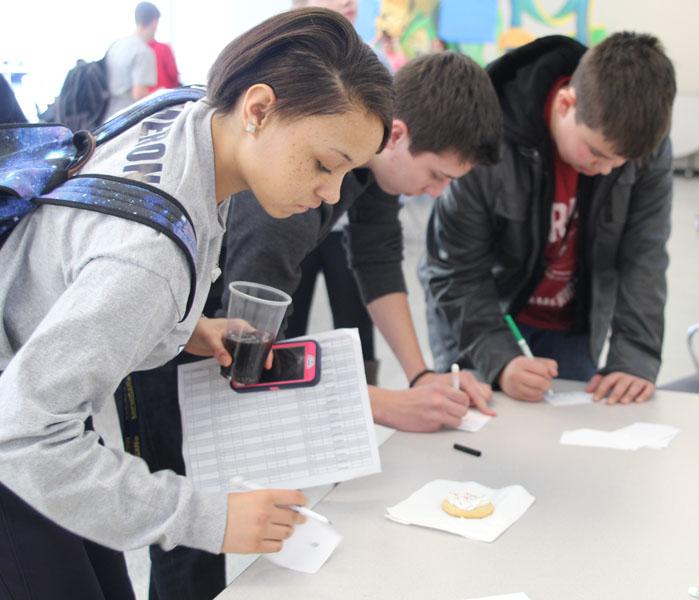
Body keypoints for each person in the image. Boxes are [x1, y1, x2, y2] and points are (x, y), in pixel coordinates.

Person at [0, 8, 393, 600]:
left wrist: (184, 328)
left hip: (32, 387)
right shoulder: (147, 261)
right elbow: (24, 437)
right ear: (259, 109)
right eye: (323, 164)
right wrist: (211, 518)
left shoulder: (190, 111)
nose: (330, 195)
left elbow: (84, 264)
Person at [123, 49, 502, 600]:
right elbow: (246, 351)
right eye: (437, 175)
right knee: (190, 530)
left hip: (211, 331)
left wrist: (420, 376)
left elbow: (376, 261)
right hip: (169, 347)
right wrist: (381, 402)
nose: (437, 193)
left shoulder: (369, 167)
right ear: (395, 136)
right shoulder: (291, 196)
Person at [418, 32, 677, 405]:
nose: (605, 171)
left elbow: (644, 255)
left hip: (572, 326)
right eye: (596, 153)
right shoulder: (487, 135)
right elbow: (455, 270)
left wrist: (635, 359)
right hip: (481, 316)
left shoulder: (644, 145)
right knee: (478, 438)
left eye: (620, 164)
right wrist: (501, 360)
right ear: (565, 103)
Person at [287, 0, 377, 383]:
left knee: (355, 326)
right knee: (286, 324)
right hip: (291, 223)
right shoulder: (288, 64)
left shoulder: (369, 67)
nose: (349, 3)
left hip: (347, 228)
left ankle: (366, 403)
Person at [103, 2, 160, 121]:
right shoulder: (143, 51)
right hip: (127, 119)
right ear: (154, 23)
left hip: (106, 117)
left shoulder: (116, 45)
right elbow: (139, 94)